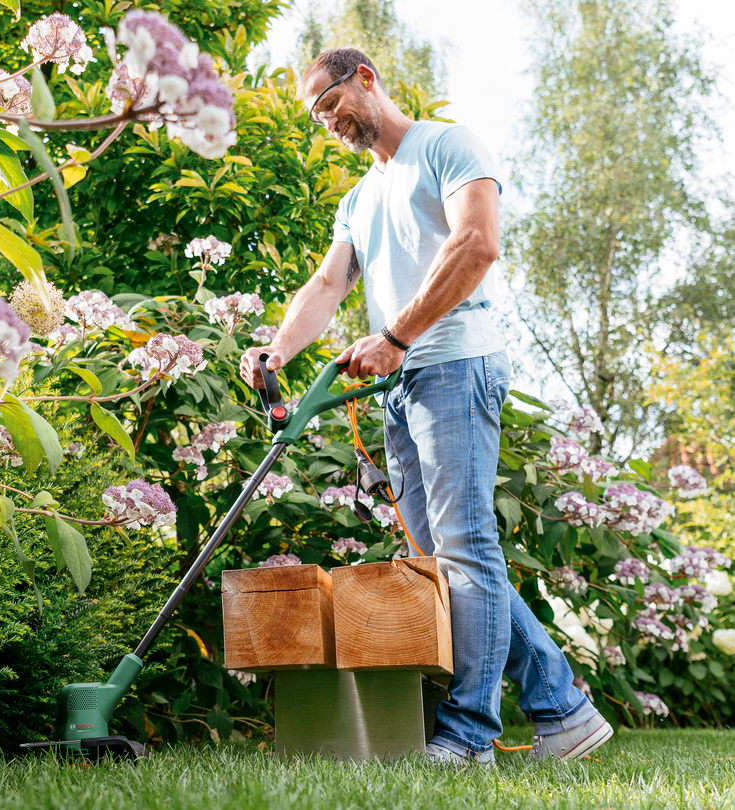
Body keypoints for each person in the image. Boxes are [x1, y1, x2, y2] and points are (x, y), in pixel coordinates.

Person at [239, 48, 612, 765]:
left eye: (331, 103)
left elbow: (477, 243)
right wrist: (278, 351)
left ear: (366, 79)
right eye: (317, 116)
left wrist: (395, 336)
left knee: (466, 549)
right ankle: (563, 710)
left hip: (455, 364)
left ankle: (470, 734)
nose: (328, 121)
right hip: (400, 384)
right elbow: (327, 286)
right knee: (444, 559)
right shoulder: (359, 199)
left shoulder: (448, 146)